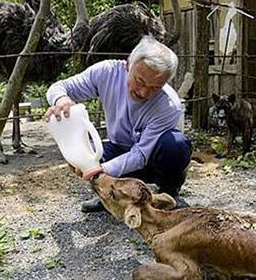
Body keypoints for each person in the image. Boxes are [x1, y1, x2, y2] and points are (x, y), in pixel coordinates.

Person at [45, 36, 192, 212]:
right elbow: (58, 87)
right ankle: (108, 196)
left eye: (155, 87)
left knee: (176, 144)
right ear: (128, 64)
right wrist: (61, 100)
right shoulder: (106, 72)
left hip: (153, 159)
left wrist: (100, 171)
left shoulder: (169, 105)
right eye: (140, 81)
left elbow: (140, 155)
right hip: (117, 148)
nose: (144, 92)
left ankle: (169, 194)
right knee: (87, 151)